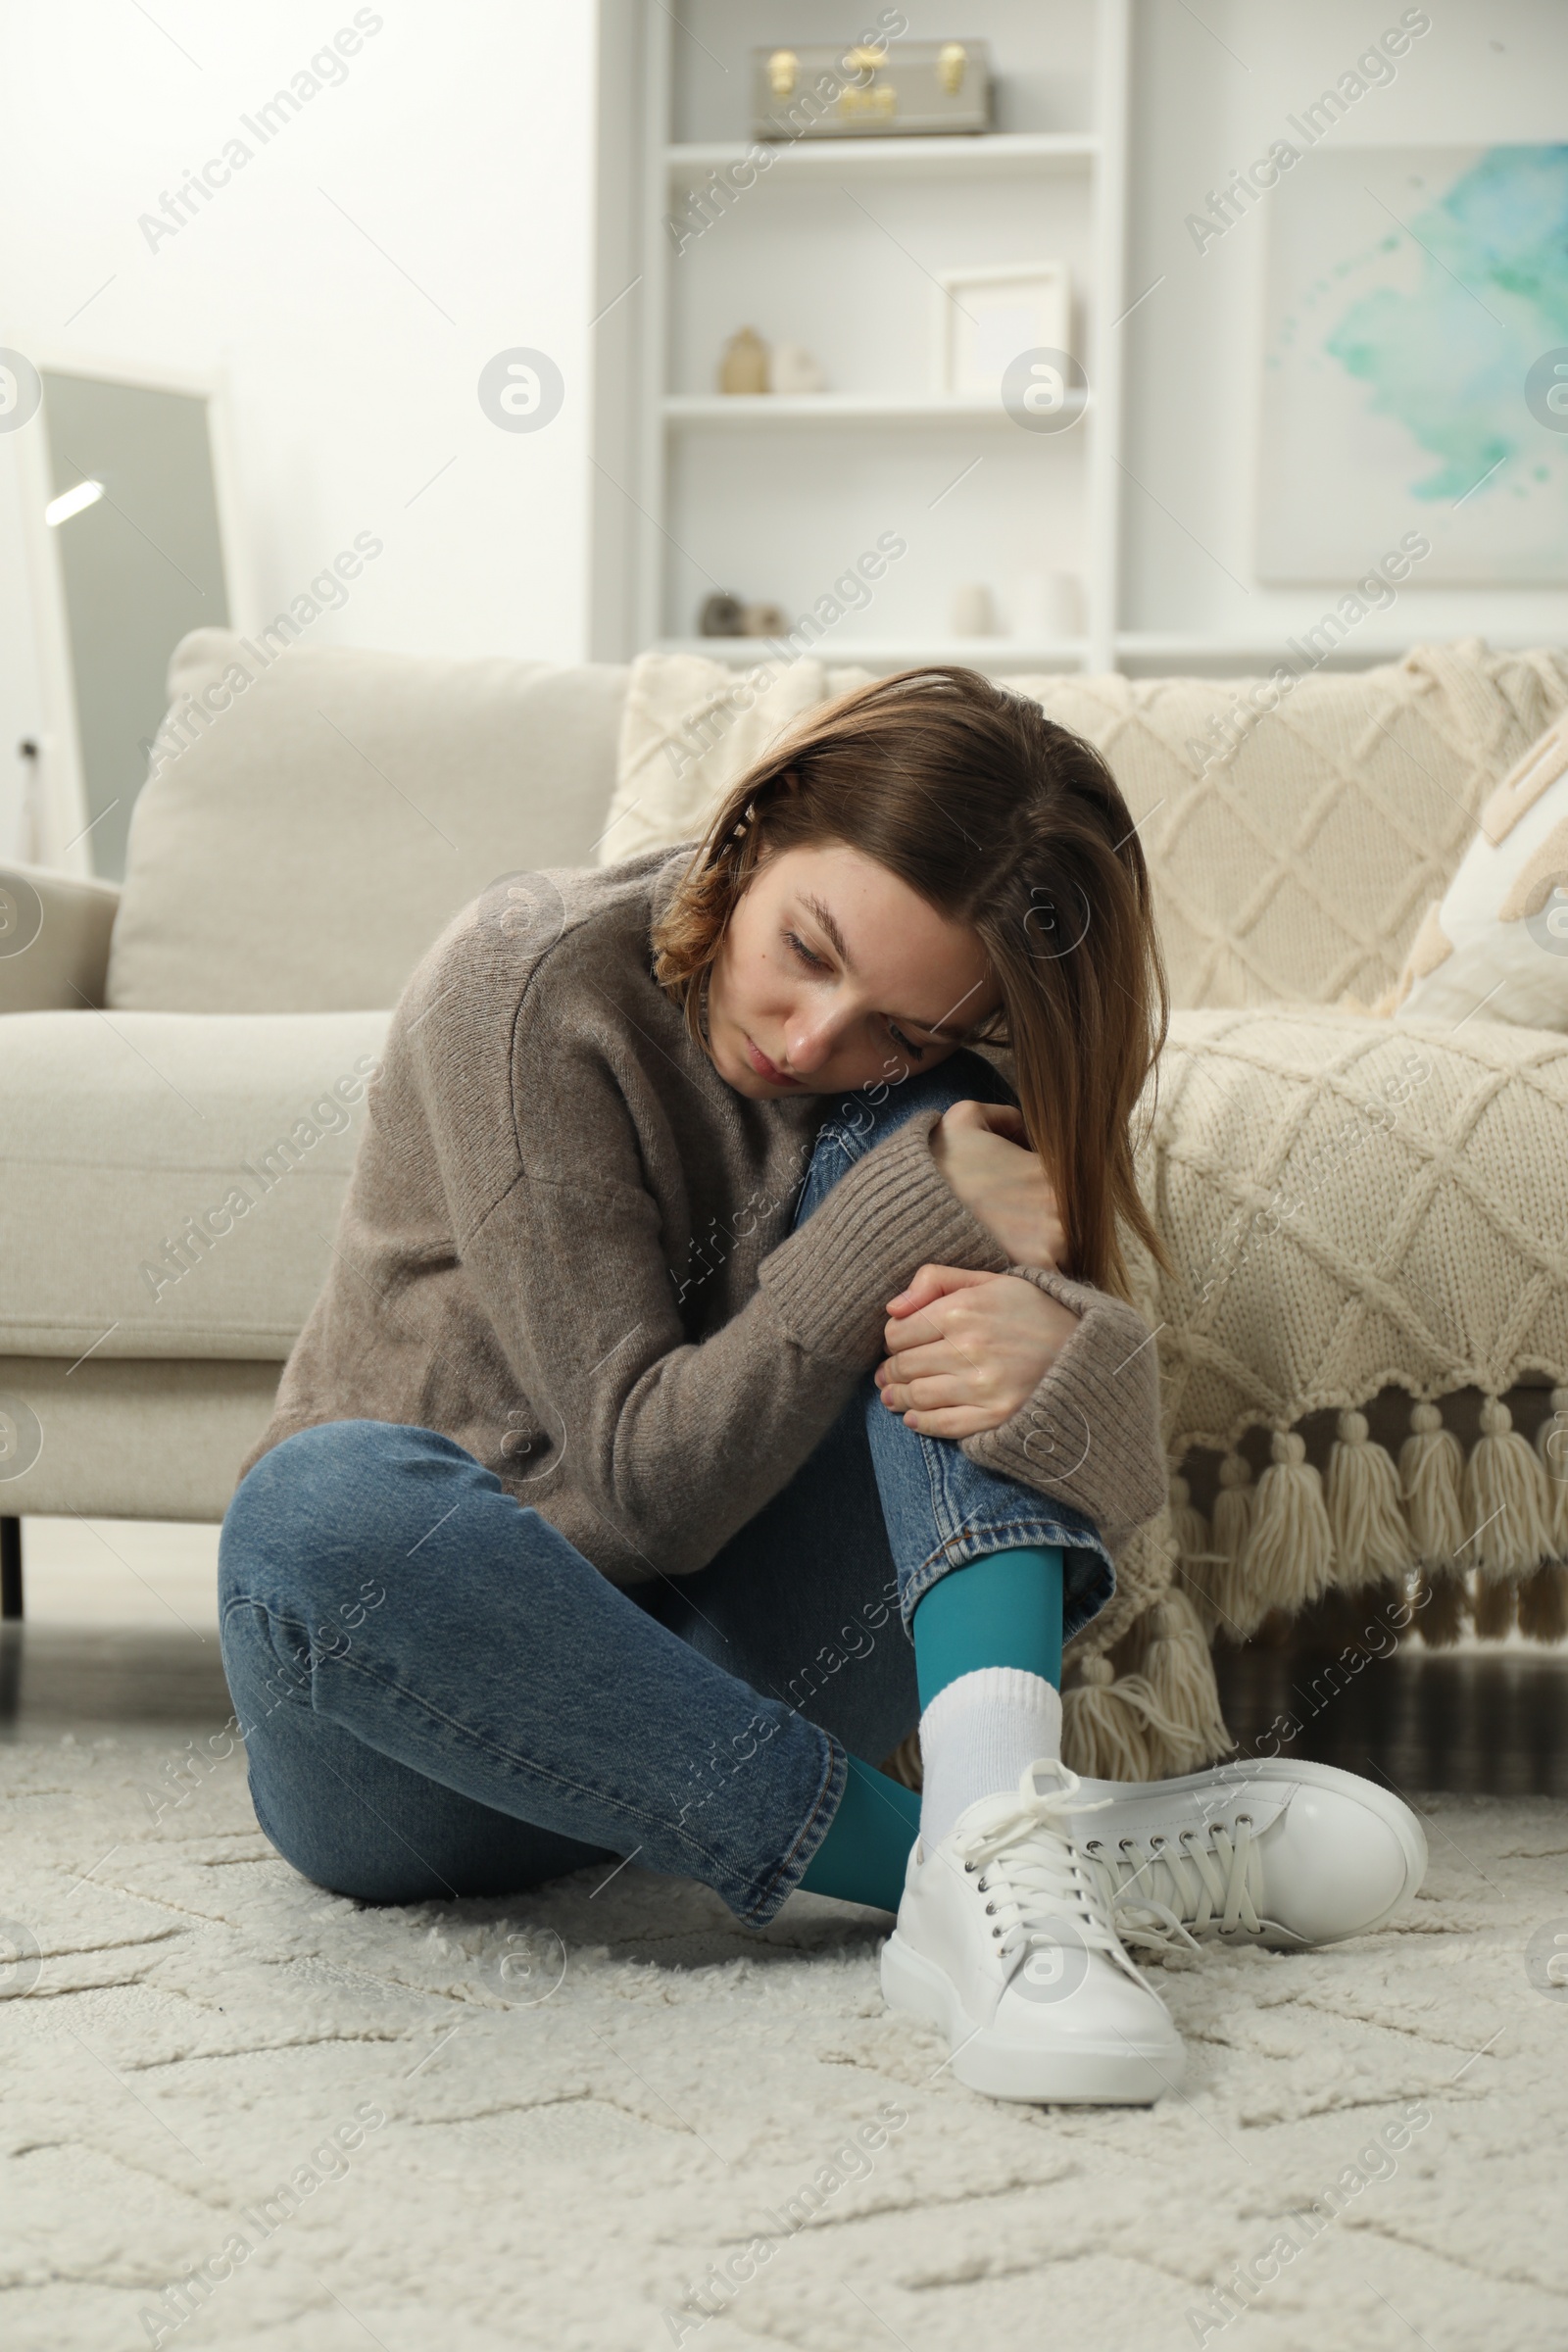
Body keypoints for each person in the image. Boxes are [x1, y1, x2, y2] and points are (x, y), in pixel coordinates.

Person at [219, 666, 1425, 2107]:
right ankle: (982, 1854)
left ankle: (993, 1857)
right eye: (806, 947)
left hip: (737, 1655)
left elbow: (1098, 1490)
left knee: (919, 1149)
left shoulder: (925, 1093)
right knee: (311, 1510)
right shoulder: (530, 982)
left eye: (900, 1025)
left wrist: (1085, 1360)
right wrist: (909, 1219)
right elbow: (645, 1486)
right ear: (757, 827)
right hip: (416, 1726)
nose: (810, 1042)